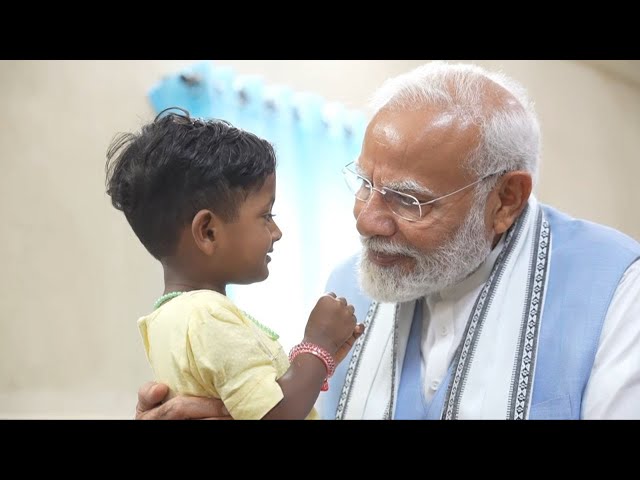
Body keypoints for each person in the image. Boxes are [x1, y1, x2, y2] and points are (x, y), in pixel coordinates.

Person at [134, 62, 640, 420]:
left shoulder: (616, 292)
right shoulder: (347, 286)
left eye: (408, 200)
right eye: (364, 183)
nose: (367, 221)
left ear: (506, 198)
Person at [106, 107, 363, 420]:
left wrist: (317, 361)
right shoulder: (208, 316)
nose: (277, 232)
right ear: (208, 231)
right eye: (266, 215)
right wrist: (316, 345)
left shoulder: (168, 319)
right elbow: (276, 415)